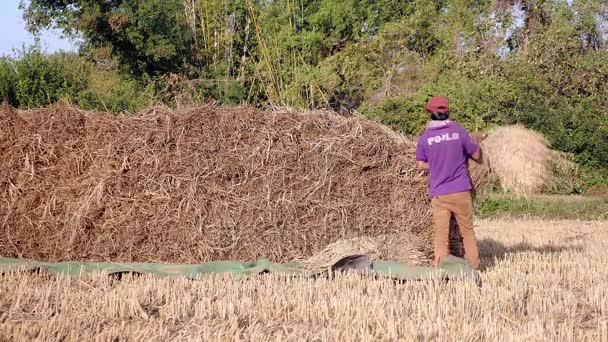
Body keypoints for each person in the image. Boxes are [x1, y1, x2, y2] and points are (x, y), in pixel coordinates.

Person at [415, 96, 482, 270]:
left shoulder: (425, 138)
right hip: (461, 190)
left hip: (439, 192)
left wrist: (436, 164)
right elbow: (477, 156)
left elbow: (420, 165)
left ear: (430, 114)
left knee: (440, 234)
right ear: (447, 112)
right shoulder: (459, 131)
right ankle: (473, 267)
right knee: (467, 231)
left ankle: (440, 267)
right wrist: (477, 143)